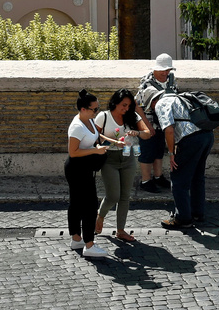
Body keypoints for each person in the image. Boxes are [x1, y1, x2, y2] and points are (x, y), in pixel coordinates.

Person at [94, 88, 153, 243]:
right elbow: (94, 135)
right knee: (113, 195)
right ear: (115, 102)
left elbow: (148, 133)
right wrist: (113, 141)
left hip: (128, 158)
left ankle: (120, 230)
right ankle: (100, 215)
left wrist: (137, 133)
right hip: (109, 159)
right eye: (123, 105)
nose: (126, 109)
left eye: (128, 106)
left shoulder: (132, 116)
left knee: (125, 196)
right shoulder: (104, 116)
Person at [61, 90, 113, 258]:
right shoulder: (76, 126)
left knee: (76, 203)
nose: (96, 112)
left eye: (97, 109)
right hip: (77, 169)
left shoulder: (88, 120)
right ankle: (89, 245)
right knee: (89, 206)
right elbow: (73, 152)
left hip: (84, 167)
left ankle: (77, 238)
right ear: (83, 109)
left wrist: (114, 141)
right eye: (94, 109)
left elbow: (97, 135)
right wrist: (95, 151)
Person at [156, 86, 215, 229]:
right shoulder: (181, 98)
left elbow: (169, 130)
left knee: (178, 179)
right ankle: (197, 213)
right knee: (197, 176)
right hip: (207, 135)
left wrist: (171, 153)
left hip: (190, 140)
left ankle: (183, 218)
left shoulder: (161, 103)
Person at [137, 54, 179, 192]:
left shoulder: (171, 80)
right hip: (148, 122)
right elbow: (137, 106)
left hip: (164, 122)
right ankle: (145, 180)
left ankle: (158, 176)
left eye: (168, 70)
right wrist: (148, 127)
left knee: (159, 150)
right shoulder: (146, 83)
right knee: (147, 151)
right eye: (163, 70)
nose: (165, 73)